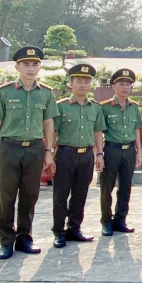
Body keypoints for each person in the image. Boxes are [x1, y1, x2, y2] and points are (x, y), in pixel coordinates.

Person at [0, 46, 57, 259]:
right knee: (6, 197)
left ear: (39, 67)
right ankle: (6, 241)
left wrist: (48, 151)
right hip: (9, 149)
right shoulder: (4, 92)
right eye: (26, 64)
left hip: (34, 149)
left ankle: (24, 238)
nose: (30, 68)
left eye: (35, 64)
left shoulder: (45, 93)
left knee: (29, 196)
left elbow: (49, 123)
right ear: (17, 66)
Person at [52, 63, 106, 248]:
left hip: (87, 156)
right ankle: (59, 231)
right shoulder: (61, 106)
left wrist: (99, 154)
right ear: (71, 84)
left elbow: (98, 131)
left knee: (80, 193)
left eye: (87, 81)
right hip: (66, 154)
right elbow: (52, 132)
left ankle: (74, 228)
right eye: (79, 81)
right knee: (61, 194)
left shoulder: (95, 108)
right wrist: (49, 155)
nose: (83, 85)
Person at [98, 68, 142, 236]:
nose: (125, 87)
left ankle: (121, 219)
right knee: (106, 188)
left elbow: (137, 130)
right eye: (121, 84)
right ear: (113, 86)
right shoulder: (105, 107)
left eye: (128, 84)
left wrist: (139, 152)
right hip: (111, 149)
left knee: (125, 187)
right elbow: (99, 131)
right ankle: (106, 221)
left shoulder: (134, 107)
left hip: (129, 150)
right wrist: (99, 154)